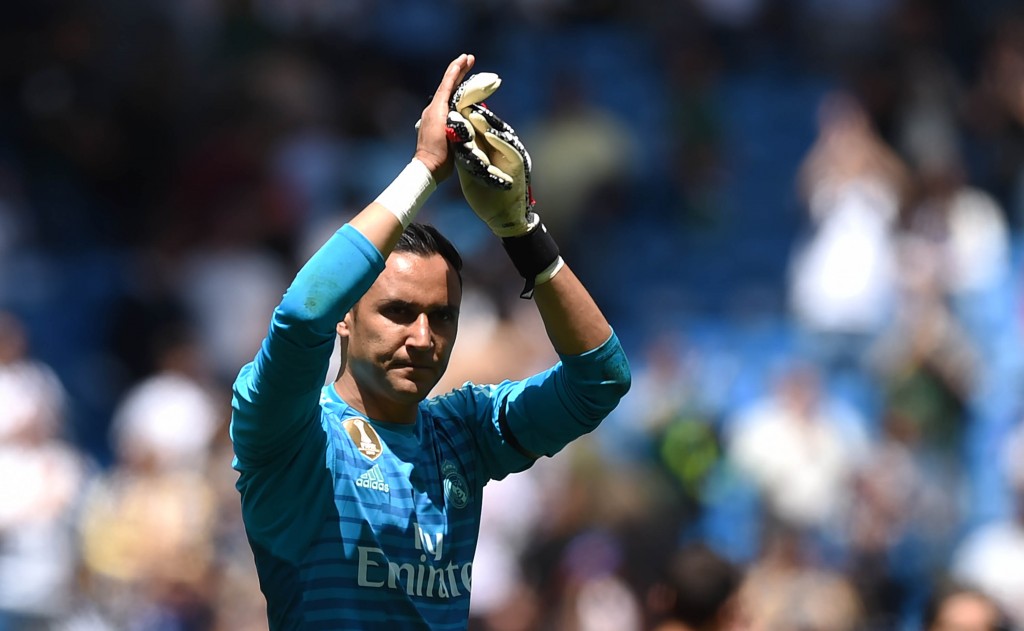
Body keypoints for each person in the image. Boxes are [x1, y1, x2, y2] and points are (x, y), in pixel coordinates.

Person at [229, 53, 631, 630]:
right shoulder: (289, 434)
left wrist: (522, 230)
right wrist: (424, 169)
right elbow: (300, 316)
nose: (423, 338)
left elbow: (601, 379)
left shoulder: (464, 433)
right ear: (345, 317)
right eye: (398, 312)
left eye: (441, 317)